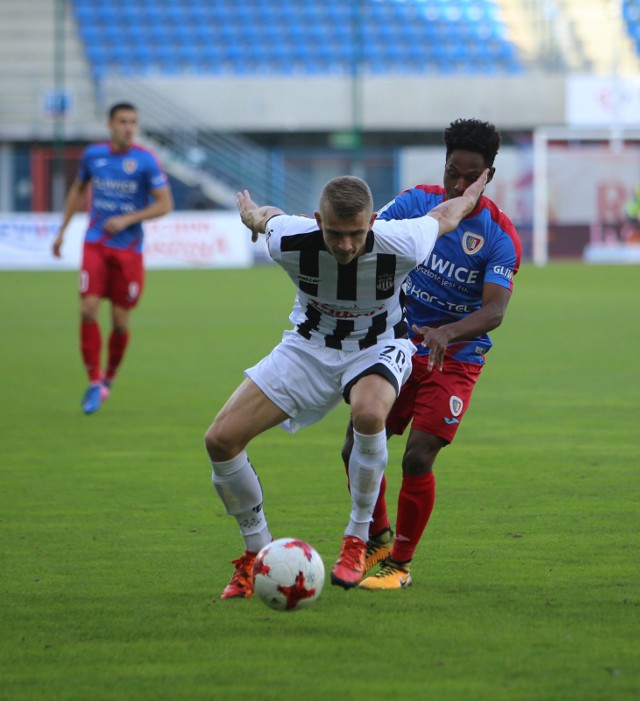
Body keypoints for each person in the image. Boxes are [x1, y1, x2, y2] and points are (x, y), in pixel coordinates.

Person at [206, 169, 489, 599]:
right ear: (318, 221)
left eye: (356, 234)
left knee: (370, 413)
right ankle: (256, 554)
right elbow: (269, 218)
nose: (345, 245)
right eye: (335, 234)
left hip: (378, 346)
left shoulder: (404, 241)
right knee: (220, 440)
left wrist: (470, 196)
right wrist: (251, 216)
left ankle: (358, 541)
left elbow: (447, 215)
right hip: (306, 349)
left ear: (373, 222)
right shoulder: (289, 240)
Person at [340, 118, 522, 590]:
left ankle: (399, 563)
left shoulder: (500, 237)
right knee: (354, 444)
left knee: (417, 457)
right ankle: (377, 539)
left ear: (488, 177)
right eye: (452, 173)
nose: (458, 185)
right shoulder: (416, 203)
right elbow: (369, 236)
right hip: (397, 344)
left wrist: (449, 332)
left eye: (470, 176)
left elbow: (495, 310)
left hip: (455, 358)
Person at [52, 102, 173, 415]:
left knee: (120, 322)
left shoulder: (146, 160)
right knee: (88, 309)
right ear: (110, 125)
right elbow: (77, 190)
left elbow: (164, 204)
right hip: (95, 243)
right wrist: (62, 231)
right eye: (122, 121)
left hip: (128, 250)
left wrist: (128, 218)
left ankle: (109, 378)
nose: (129, 127)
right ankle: (94, 381)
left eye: (133, 121)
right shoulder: (94, 156)